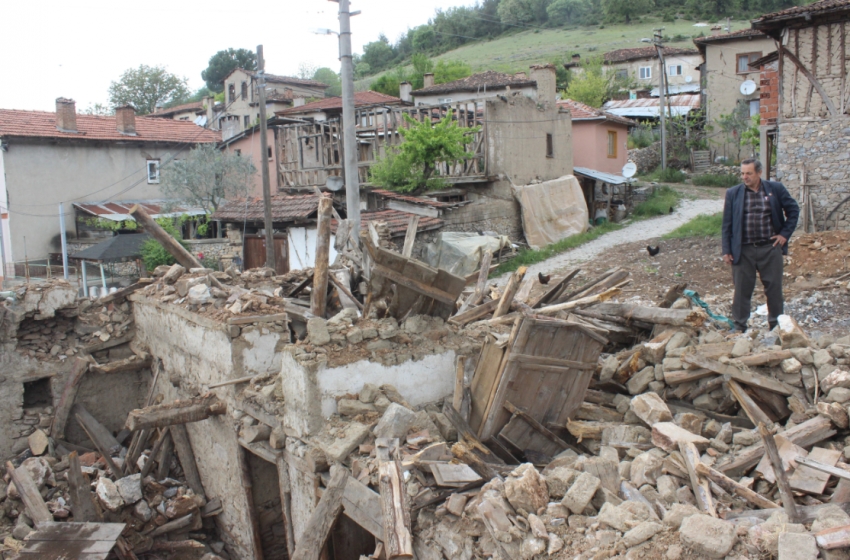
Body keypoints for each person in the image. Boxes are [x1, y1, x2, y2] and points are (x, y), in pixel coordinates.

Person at [721, 158, 799, 332]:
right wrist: (726, 249)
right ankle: (739, 326)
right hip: (743, 249)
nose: (745, 177)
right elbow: (727, 224)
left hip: (769, 248)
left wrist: (785, 234)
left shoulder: (775, 189)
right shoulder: (733, 193)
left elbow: (793, 210)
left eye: (749, 173)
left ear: (759, 173)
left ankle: (775, 325)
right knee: (741, 289)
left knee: (774, 288)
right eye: (742, 173)